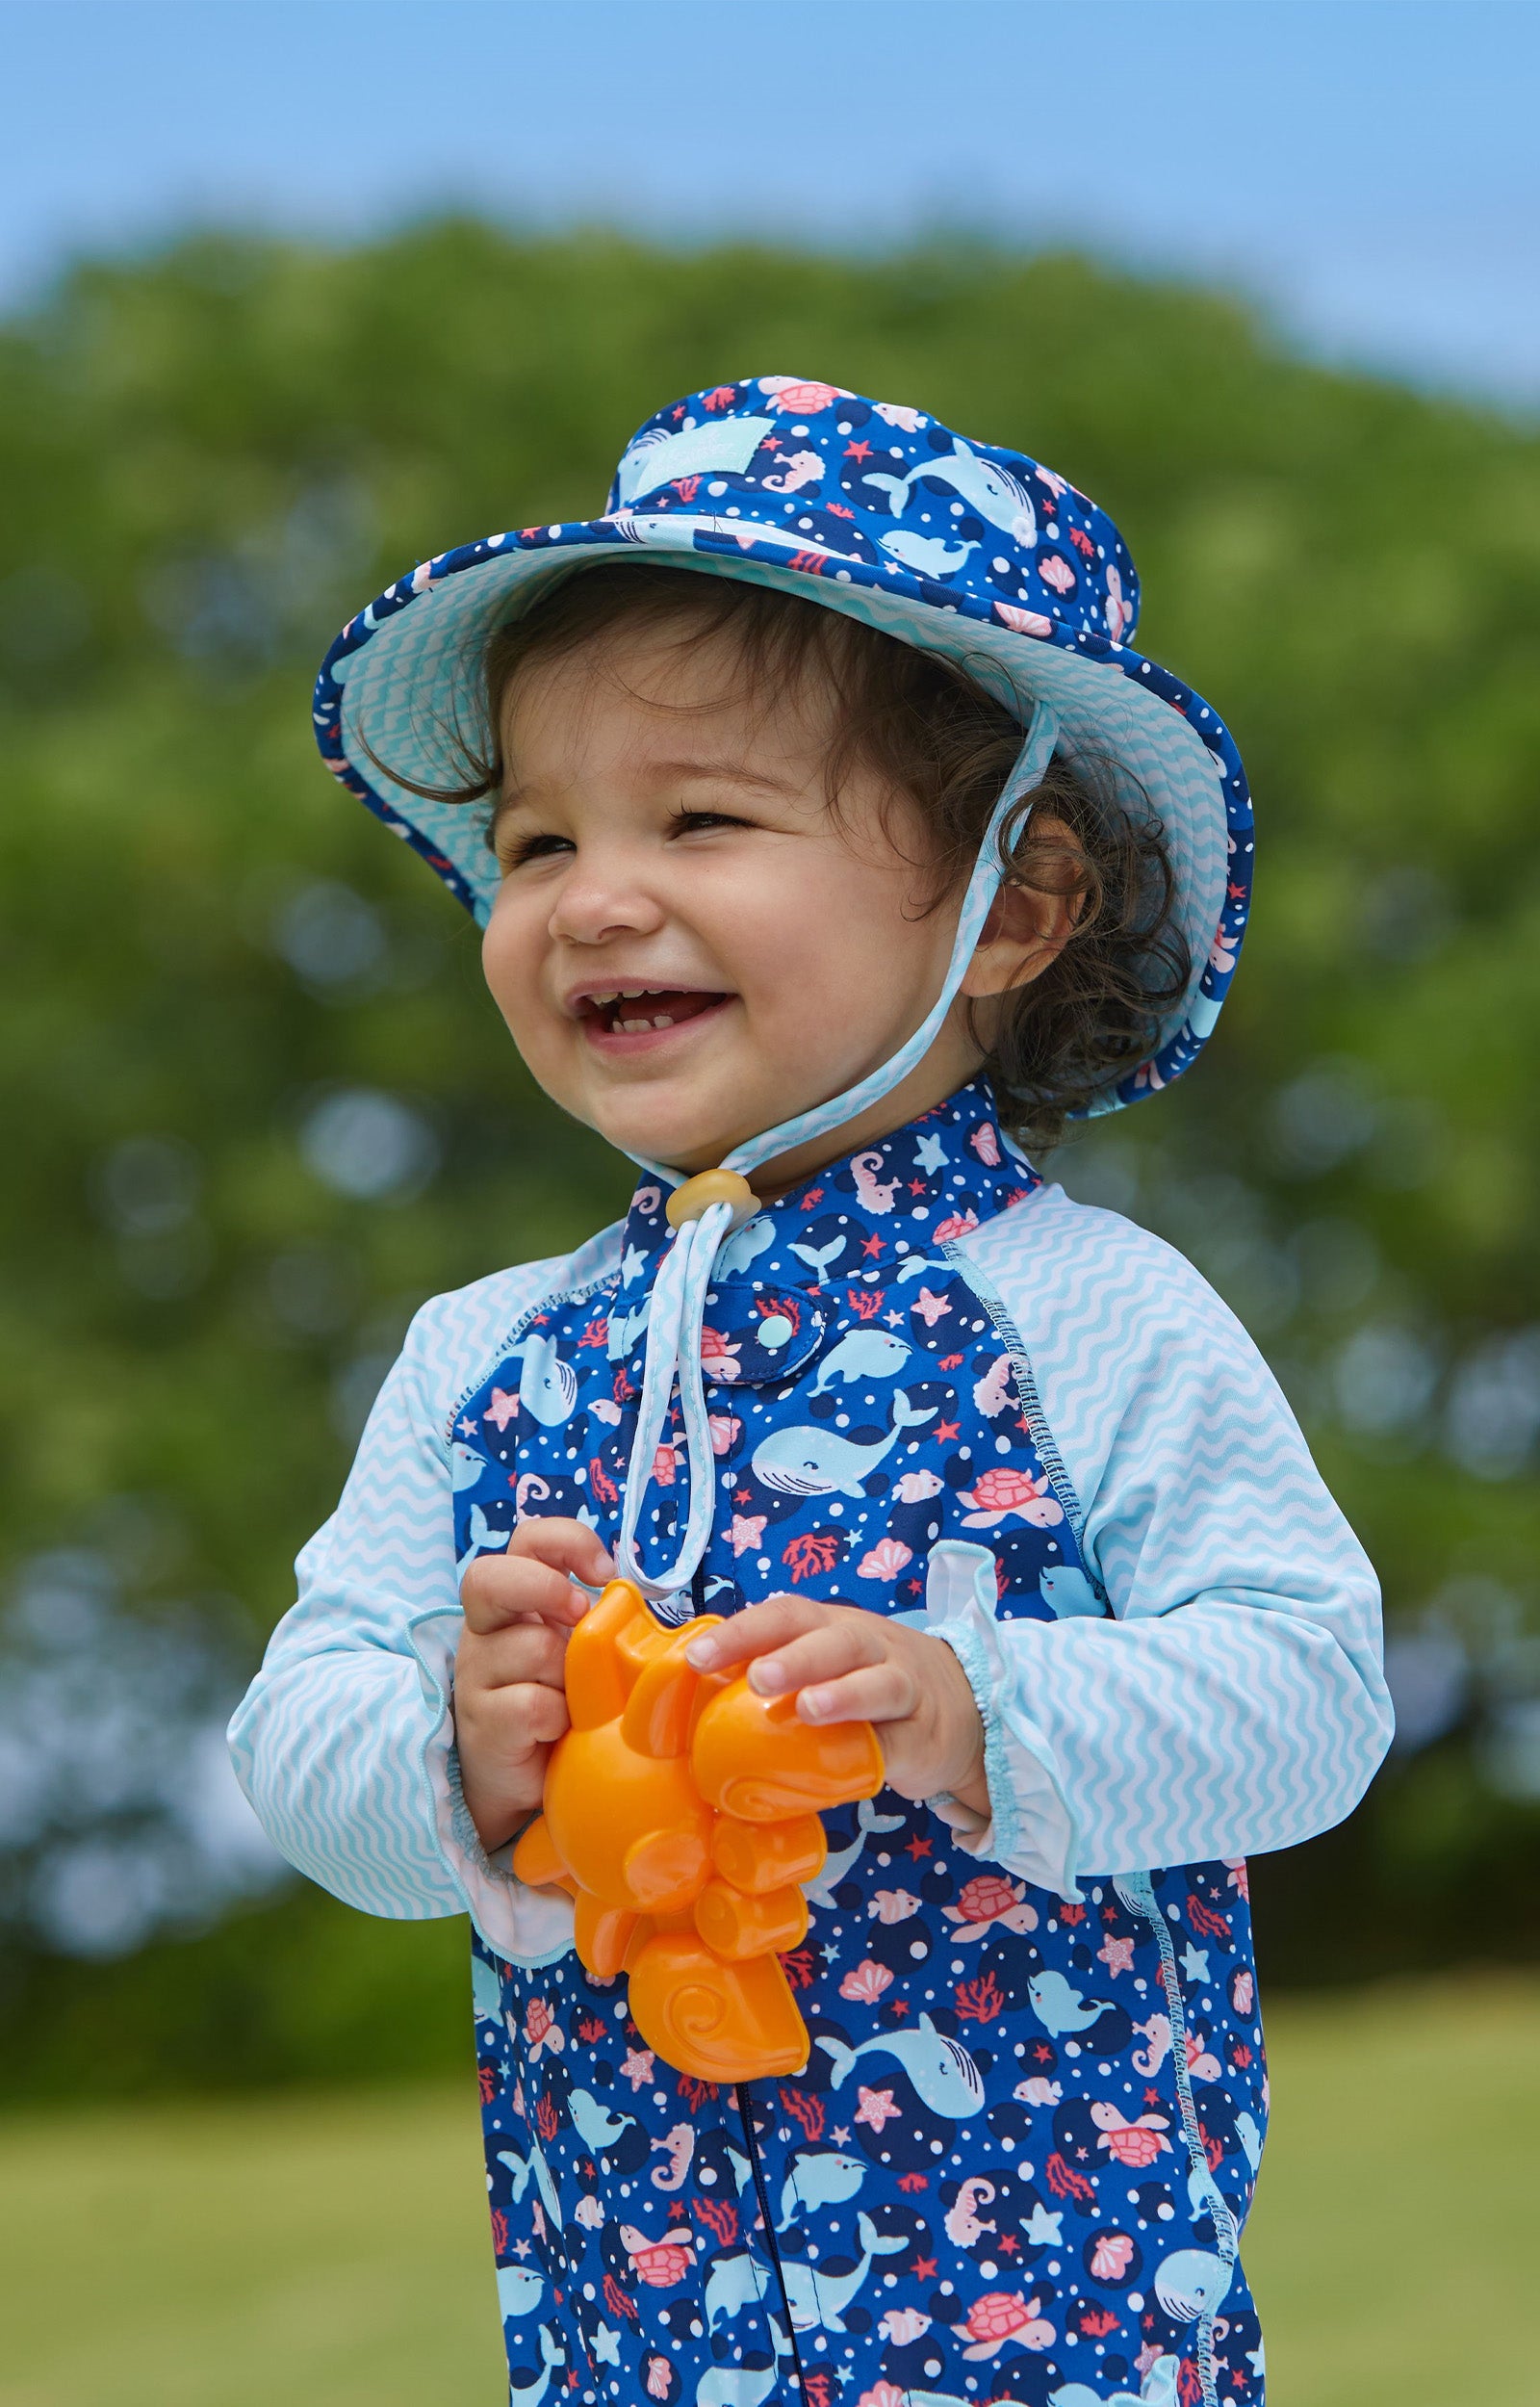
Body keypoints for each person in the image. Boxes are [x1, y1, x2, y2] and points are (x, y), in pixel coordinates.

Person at [230, 375, 1392, 2407]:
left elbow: (1305, 1692)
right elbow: (293, 1722)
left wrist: (971, 1704)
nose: (592, 892)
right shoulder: (483, 1354)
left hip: (1055, 2322)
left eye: (700, 818)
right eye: (534, 837)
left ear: (1007, 907)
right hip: (632, 2332)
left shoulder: (1082, 1308)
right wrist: (450, 1750)